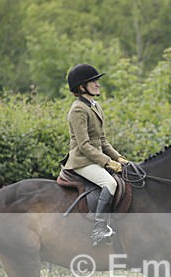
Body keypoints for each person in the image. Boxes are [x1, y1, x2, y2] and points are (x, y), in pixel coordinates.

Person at [64, 63, 129, 246]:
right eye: (93, 82)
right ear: (81, 87)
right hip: (82, 161)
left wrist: (119, 158)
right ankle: (99, 229)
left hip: (95, 158)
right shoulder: (78, 109)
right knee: (110, 183)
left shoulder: (95, 106)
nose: (98, 84)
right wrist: (107, 162)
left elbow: (102, 140)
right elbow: (84, 145)